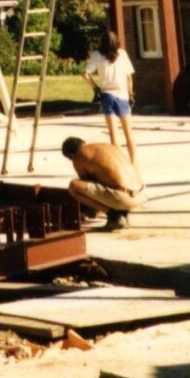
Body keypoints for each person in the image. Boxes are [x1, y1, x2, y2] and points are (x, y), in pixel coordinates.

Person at [62, 135, 146, 231]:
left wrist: (90, 209)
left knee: (74, 186)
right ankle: (123, 212)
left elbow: (87, 186)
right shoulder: (105, 146)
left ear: (71, 155)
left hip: (124, 198)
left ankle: (113, 216)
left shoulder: (78, 156)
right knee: (111, 181)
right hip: (141, 193)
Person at [84, 29, 137, 163]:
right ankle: (134, 163)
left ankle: (120, 163)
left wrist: (95, 87)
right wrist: (131, 95)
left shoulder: (97, 55)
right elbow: (129, 77)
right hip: (123, 95)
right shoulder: (122, 54)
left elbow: (85, 74)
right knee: (128, 133)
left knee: (114, 135)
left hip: (107, 95)